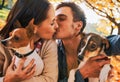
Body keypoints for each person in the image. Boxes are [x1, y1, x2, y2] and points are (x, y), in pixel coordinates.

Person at [54, 2, 120, 82]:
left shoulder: (97, 45)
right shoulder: (52, 53)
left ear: (78, 26)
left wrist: (110, 44)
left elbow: (113, 42)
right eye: (53, 19)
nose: (54, 23)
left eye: (61, 19)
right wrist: (82, 73)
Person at [0, 0, 58, 82]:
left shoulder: (49, 44)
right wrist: (6, 80)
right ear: (33, 27)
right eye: (52, 23)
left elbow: (50, 79)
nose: (57, 26)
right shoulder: (2, 45)